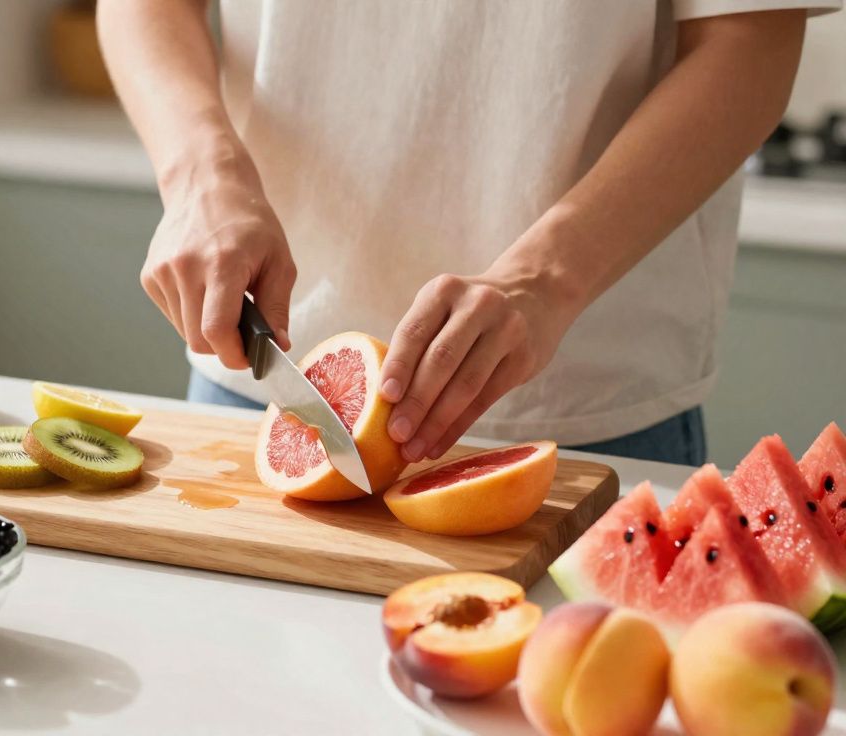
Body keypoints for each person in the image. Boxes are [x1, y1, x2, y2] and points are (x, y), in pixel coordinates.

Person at [98, 0, 839, 466]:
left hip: (577, 411)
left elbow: (749, 43)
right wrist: (201, 173)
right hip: (262, 376)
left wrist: (547, 279)